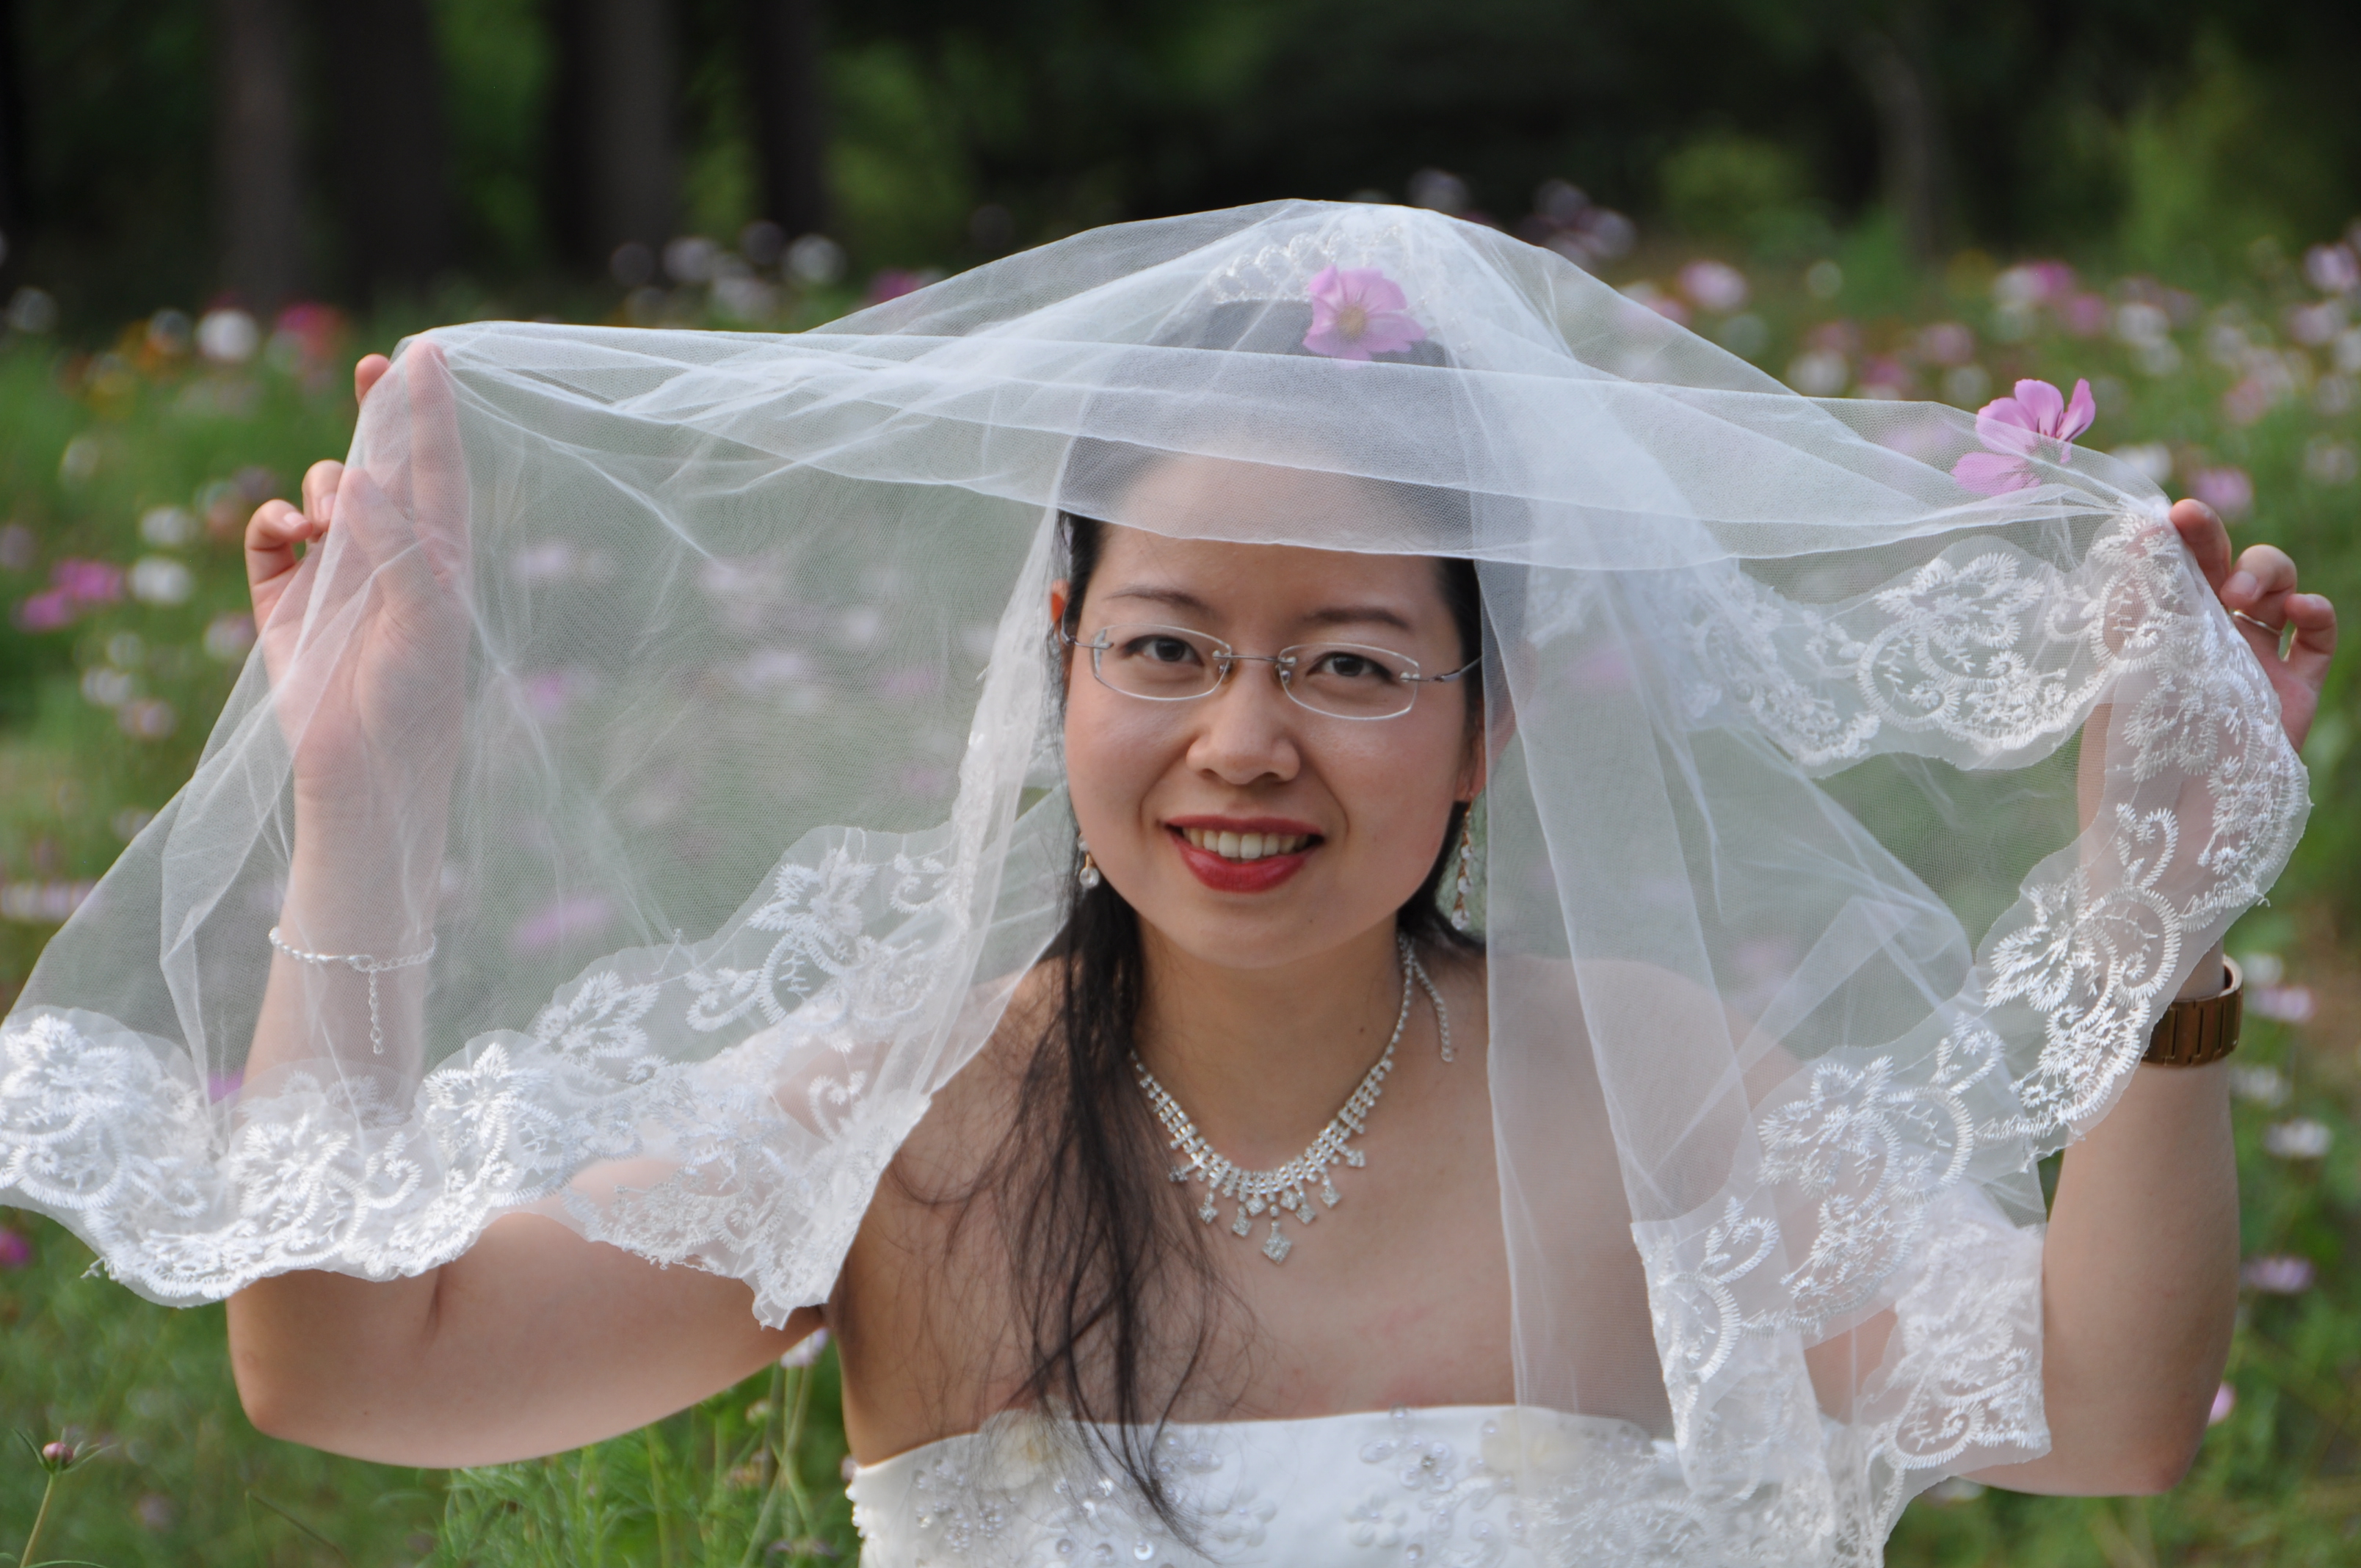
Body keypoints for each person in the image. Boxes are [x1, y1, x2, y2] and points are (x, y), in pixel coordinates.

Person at [1, 203, 2334, 1565]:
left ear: (1486, 723)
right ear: (1058, 665)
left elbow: (2106, 1409)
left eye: (1351, 662)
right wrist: (365, 792)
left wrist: (2160, 913)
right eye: (1170, 646)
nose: (1245, 740)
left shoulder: (1651, 1088)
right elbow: (349, 1367)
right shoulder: (906, 1108)